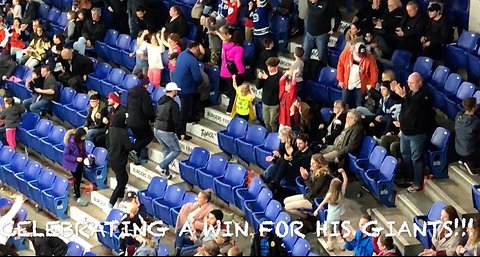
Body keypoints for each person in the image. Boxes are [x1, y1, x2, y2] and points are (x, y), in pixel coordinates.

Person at [391, 72, 435, 192]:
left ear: (420, 82)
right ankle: (408, 177)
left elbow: (414, 108)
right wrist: (396, 92)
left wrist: (404, 96)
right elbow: (405, 107)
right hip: (406, 131)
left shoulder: (425, 94)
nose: (409, 85)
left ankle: (417, 182)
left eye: (412, 83)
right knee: (405, 155)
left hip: (417, 133)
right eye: (408, 83)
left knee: (416, 158)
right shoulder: (410, 93)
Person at [283, 153, 331, 218]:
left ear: (319, 164)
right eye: (311, 162)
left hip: (314, 201)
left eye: (314, 163)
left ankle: (307, 218)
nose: (311, 164)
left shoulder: (323, 176)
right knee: (285, 201)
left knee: (287, 207)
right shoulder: (314, 171)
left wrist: (306, 178)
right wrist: (307, 177)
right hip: (309, 196)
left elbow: (313, 190)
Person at [107, 92, 133, 208]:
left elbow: (107, 143)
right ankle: (111, 203)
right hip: (119, 160)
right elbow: (128, 146)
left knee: (122, 179)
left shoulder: (111, 130)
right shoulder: (122, 133)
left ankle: (121, 199)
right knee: (122, 181)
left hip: (112, 158)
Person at [173, 42, 203, 141]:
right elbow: (198, 77)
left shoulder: (181, 54)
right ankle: (180, 132)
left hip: (179, 86)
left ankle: (191, 117)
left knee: (193, 100)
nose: (198, 51)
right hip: (187, 89)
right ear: (194, 48)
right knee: (184, 111)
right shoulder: (192, 60)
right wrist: (199, 83)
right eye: (197, 49)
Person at [314, 168, 348, 251]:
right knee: (336, 230)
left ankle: (330, 245)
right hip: (338, 216)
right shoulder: (342, 192)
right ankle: (342, 245)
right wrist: (343, 172)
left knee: (328, 230)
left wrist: (316, 210)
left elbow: (322, 203)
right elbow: (346, 181)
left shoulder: (329, 194)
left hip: (330, 217)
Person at [337, 41, 378, 109]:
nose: (361, 56)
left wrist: (372, 85)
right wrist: (340, 80)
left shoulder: (370, 57)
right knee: (344, 104)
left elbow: (374, 72)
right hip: (347, 83)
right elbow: (340, 66)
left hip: (361, 86)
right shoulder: (346, 53)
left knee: (359, 105)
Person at [153, 82, 182, 179]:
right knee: (176, 150)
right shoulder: (173, 104)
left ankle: (166, 173)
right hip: (166, 129)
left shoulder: (160, 100)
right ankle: (161, 166)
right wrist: (179, 133)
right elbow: (176, 120)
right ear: (173, 91)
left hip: (157, 128)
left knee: (166, 149)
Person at [127, 75, 156, 165]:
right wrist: (153, 118)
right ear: (145, 84)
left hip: (130, 120)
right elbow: (147, 110)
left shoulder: (131, 91)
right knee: (148, 136)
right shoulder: (144, 94)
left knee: (140, 138)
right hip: (140, 122)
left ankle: (138, 157)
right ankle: (134, 151)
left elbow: (127, 105)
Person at [174, 190, 214, 255]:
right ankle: (178, 250)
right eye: (198, 197)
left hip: (199, 233)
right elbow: (189, 217)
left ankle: (178, 252)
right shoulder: (196, 205)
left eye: (200, 198)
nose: (197, 199)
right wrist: (191, 224)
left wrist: (193, 224)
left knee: (181, 241)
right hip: (191, 229)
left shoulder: (209, 210)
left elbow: (205, 226)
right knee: (179, 231)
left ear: (205, 200)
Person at [302, 0, 341, 66]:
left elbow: (338, 15)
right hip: (310, 33)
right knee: (305, 55)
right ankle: (306, 71)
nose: (310, 1)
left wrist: (334, 29)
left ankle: (322, 70)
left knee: (322, 56)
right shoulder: (309, 1)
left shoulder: (328, 3)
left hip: (322, 34)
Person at [218, 29, 245, 114]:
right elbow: (238, 61)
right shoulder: (238, 49)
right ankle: (230, 109)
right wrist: (241, 72)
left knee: (231, 88)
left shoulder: (225, 45)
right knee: (234, 91)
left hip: (224, 70)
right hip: (231, 73)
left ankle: (227, 94)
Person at [63, 128, 88, 206]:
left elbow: (84, 151)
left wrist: (88, 155)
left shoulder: (83, 142)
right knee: (77, 179)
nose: (84, 138)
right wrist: (76, 158)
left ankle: (76, 191)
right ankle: (77, 196)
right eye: (83, 136)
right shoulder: (70, 143)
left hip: (80, 162)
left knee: (79, 177)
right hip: (72, 164)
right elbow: (66, 155)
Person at [455, 97, 480, 176]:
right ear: (473, 108)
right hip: (470, 152)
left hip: (458, 149)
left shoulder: (458, 116)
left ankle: (463, 160)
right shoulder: (476, 122)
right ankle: (471, 164)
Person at [118, 191, 148, 256]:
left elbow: (144, 233)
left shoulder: (142, 212)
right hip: (129, 244)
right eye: (128, 202)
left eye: (130, 202)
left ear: (135, 200)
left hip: (140, 244)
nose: (128, 205)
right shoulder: (127, 215)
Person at [257, 57, 281, 132]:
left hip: (274, 103)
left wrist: (267, 78)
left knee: (273, 122)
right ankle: (268, 135)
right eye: (268, 66)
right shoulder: (266, 74)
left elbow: (276, 87)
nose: (269, 68)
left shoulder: (279, 76)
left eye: (271, 67)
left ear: (276, 66)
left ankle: (274, 136)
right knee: (266, 121)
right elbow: (258, 87)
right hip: (265, 102)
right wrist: (260, 78)